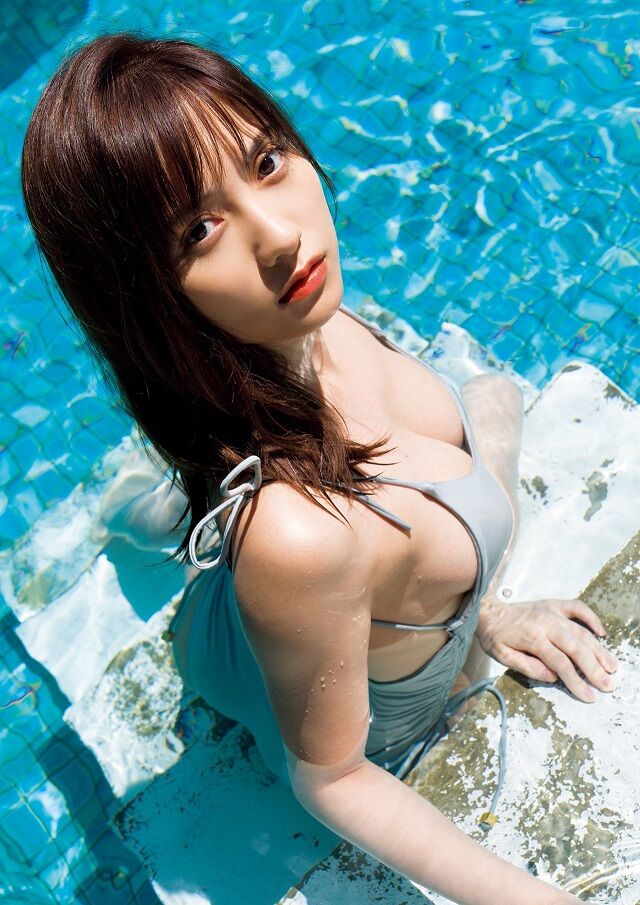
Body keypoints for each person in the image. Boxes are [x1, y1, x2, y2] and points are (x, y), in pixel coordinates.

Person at [21, 32, 619, 905]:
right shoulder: (297, 537)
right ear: (146, 295)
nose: (280, 235)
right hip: (252, 632)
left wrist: (487, 611)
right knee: (206, 536)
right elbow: (332, 777)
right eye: (199, 230)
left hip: (298, 568)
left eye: (266, 162)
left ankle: (148, 506)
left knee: (492, 397)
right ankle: (125, 510)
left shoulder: (309, 321)